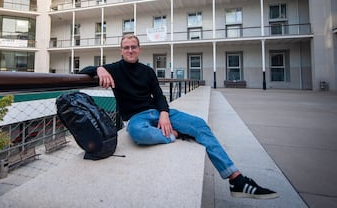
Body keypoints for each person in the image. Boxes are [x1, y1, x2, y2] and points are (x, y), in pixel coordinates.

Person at [79, 33, 278, 199]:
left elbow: (158, 96)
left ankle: (237, 180)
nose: (130, 50)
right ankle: (175, 134)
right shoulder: (114, 69)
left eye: (133, 47)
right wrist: (99, 68)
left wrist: (164, 113)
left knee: (199, 124)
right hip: (137, 117)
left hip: (158, 111)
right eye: (126, 47)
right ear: (121, 51)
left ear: (139, 49)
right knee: (137, 132)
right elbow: (82, 72)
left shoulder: (147, 71)